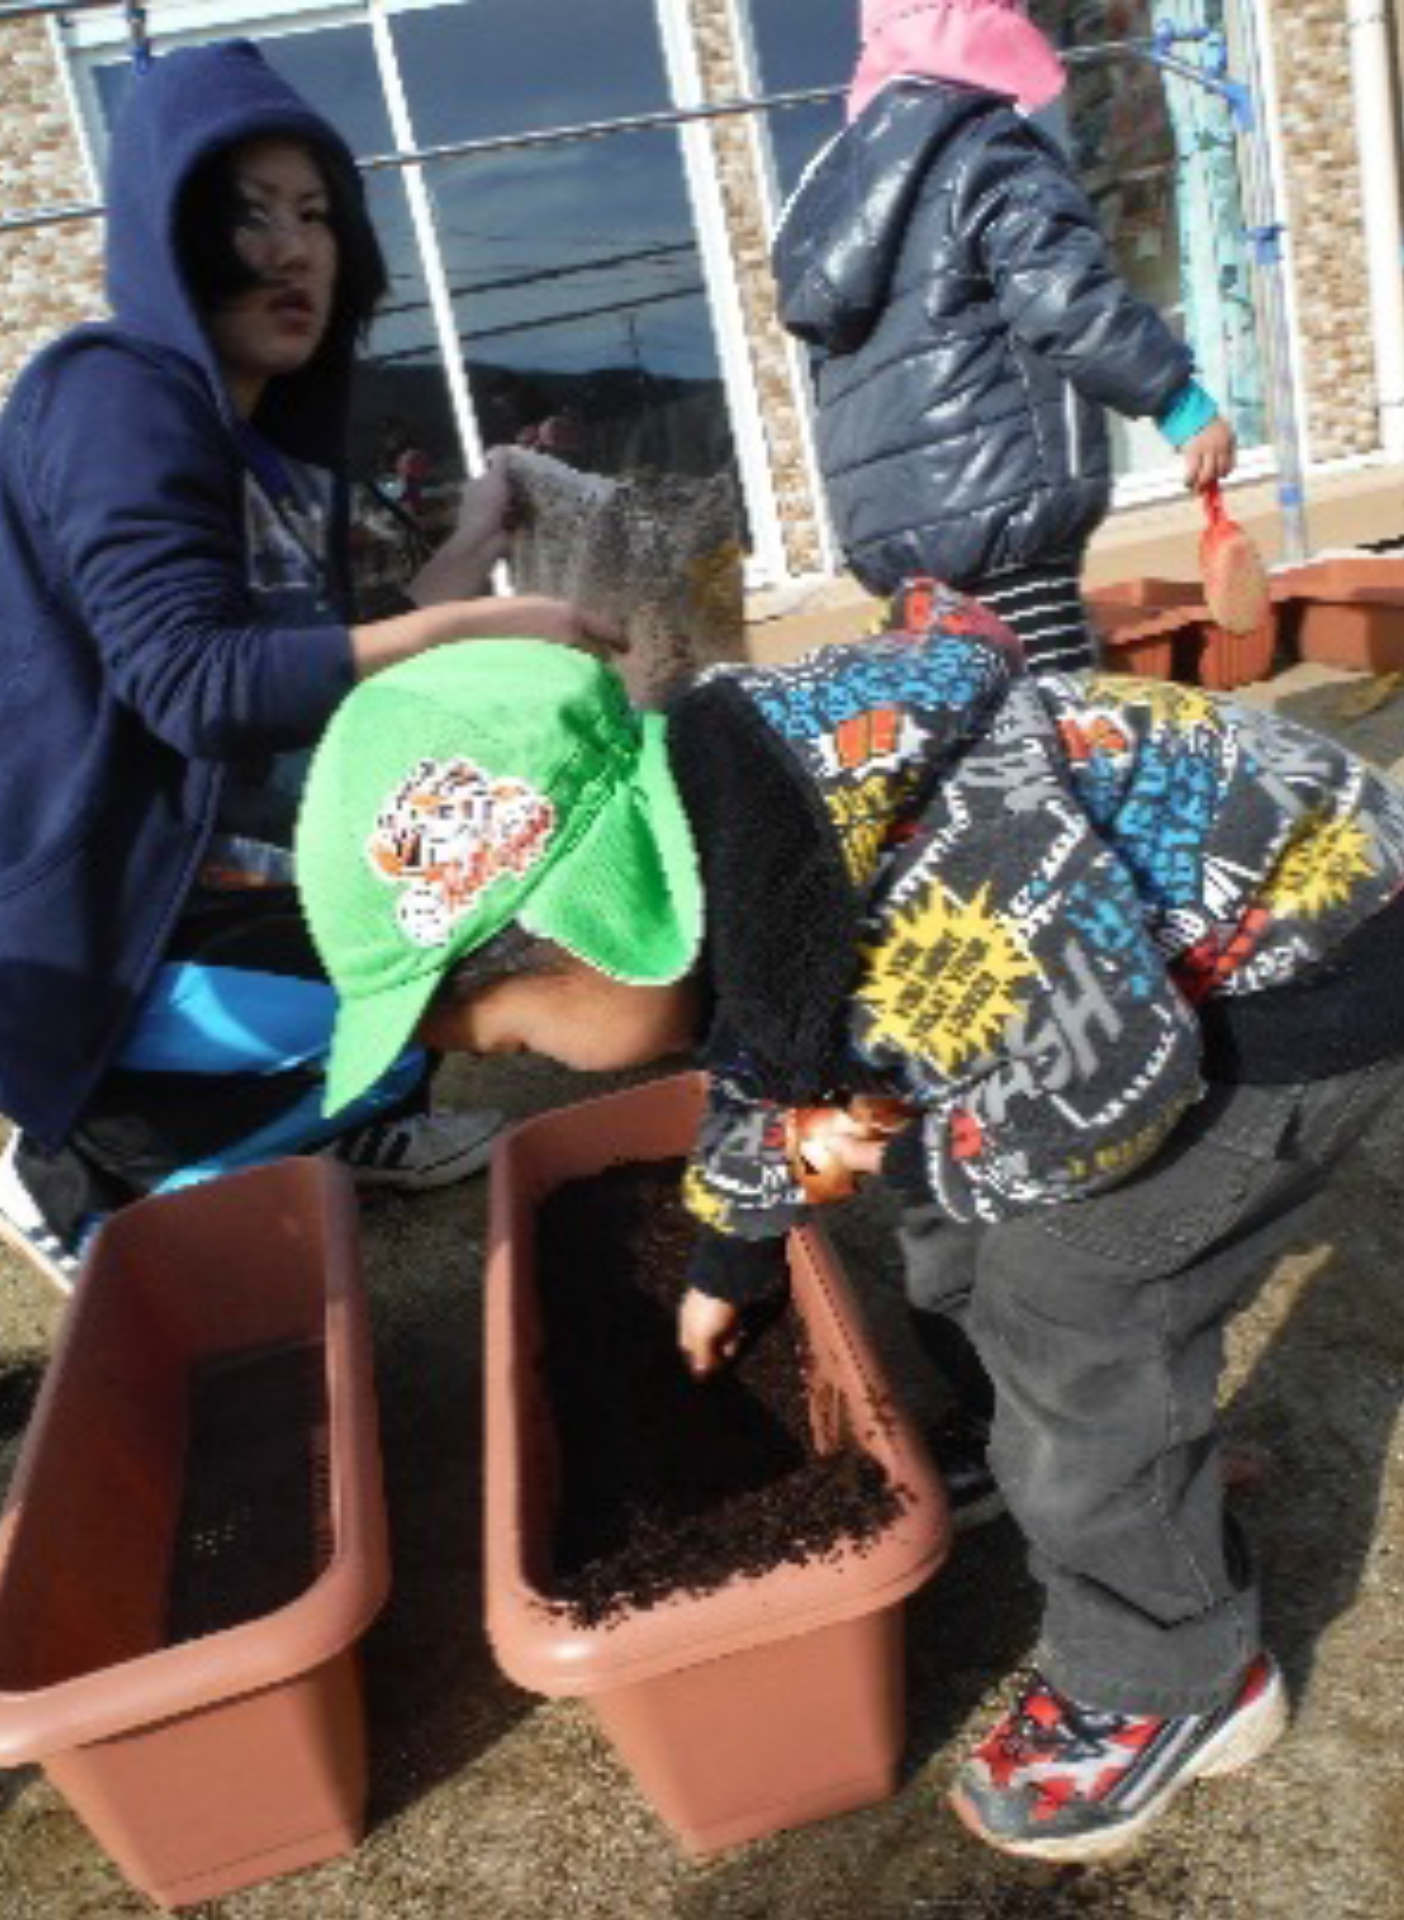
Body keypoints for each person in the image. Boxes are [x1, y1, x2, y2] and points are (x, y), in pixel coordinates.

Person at [294, 594, 1404, 1862]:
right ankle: (1068, 1451)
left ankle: (1173, 1676)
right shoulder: (732, 853)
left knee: (1078, 1311)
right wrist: (728, 1256)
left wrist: (903, 1146)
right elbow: (775, 1055)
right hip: (1092, 990)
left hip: (1296, 977)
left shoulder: (946, 879)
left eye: (520, 1039)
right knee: (948, 1226)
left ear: (592, 925)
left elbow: (1114, 1081)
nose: (541, 1067)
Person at [0, 39, 616, 1293]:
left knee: (462, 875)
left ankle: (347, 1107)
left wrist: (474, 544)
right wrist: (476, 631)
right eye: (247, 214)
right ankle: (85, 1167)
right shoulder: (113, 392)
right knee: (433, 985)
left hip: (222, 865)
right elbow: (196, 684)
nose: (292, 250)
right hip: (113, 908)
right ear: (163, 227)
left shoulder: (267, 454)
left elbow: (320, 655)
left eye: (316, 215)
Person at [770, 0, 1237, 672]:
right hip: (1001, 511)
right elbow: (1064, 297)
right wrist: (1177, 402)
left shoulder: (838, 191)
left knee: (979, 732)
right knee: (1053, 723)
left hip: (895, 545)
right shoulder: (984, 148)